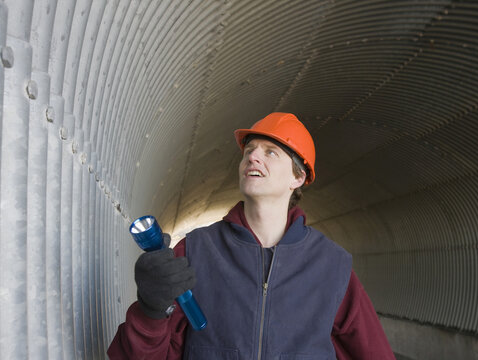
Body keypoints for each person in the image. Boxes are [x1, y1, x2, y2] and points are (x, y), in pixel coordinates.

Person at [108, 112, 395, 359]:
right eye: (249, 151)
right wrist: (151, 309)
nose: (252, 156)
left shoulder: (332, 266)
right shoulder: (197, 250)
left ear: (298, 178)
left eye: (271, 151)